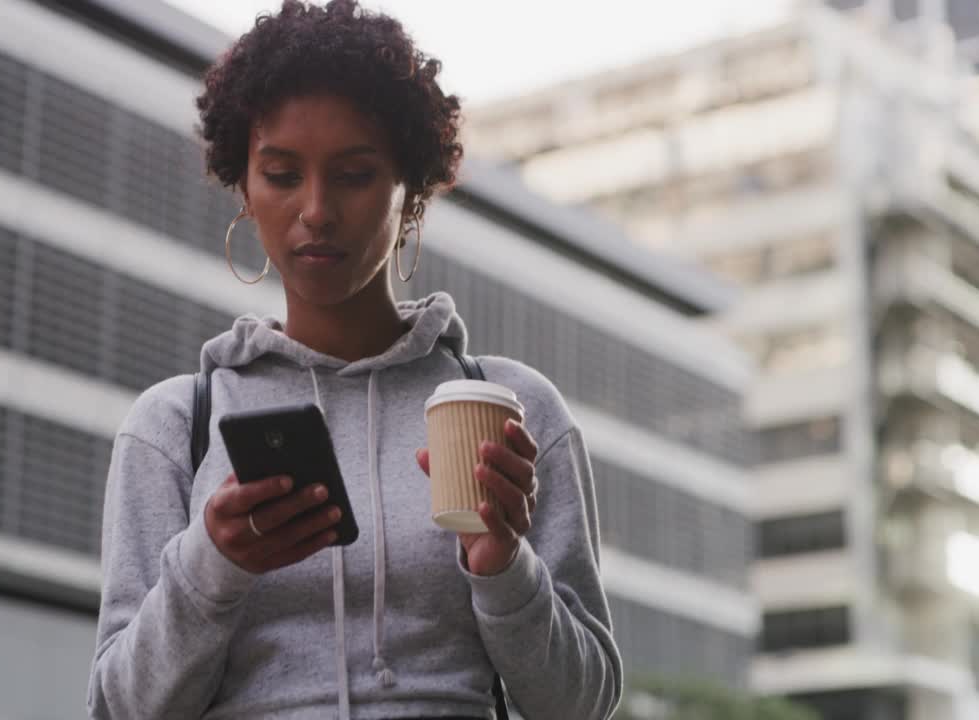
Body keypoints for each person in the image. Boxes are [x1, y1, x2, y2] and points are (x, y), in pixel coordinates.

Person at [86, 1, 622, 718]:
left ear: (412, 194)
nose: (316, 210)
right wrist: (212, 564)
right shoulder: (175, 424)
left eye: (354, 174)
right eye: (281, 174)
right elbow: (118, 708)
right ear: (244, 188)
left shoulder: (506, 407)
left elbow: (582, 706)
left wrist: (504, 568)